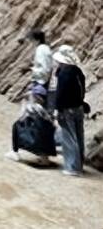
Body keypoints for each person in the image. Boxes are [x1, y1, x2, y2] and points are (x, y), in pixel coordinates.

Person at [53, 45, 86, 175]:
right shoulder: (77, 71)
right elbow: (82, 89)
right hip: (79, 107)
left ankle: (73, 167)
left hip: (68, 109)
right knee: (78, 136)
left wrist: (57, 109)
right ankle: (79, 163)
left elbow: (61, 93)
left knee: (69, 137)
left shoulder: (64, 73)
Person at [8, 83, 56, 165]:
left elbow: (22, 117)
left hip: (32, 138)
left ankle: (14, 152)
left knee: (16, 125)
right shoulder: (42, 109)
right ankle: (44, 158)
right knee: (45, 131)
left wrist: (24, 98)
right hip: (44, 138)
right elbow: (50, 121)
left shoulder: (30, 107)